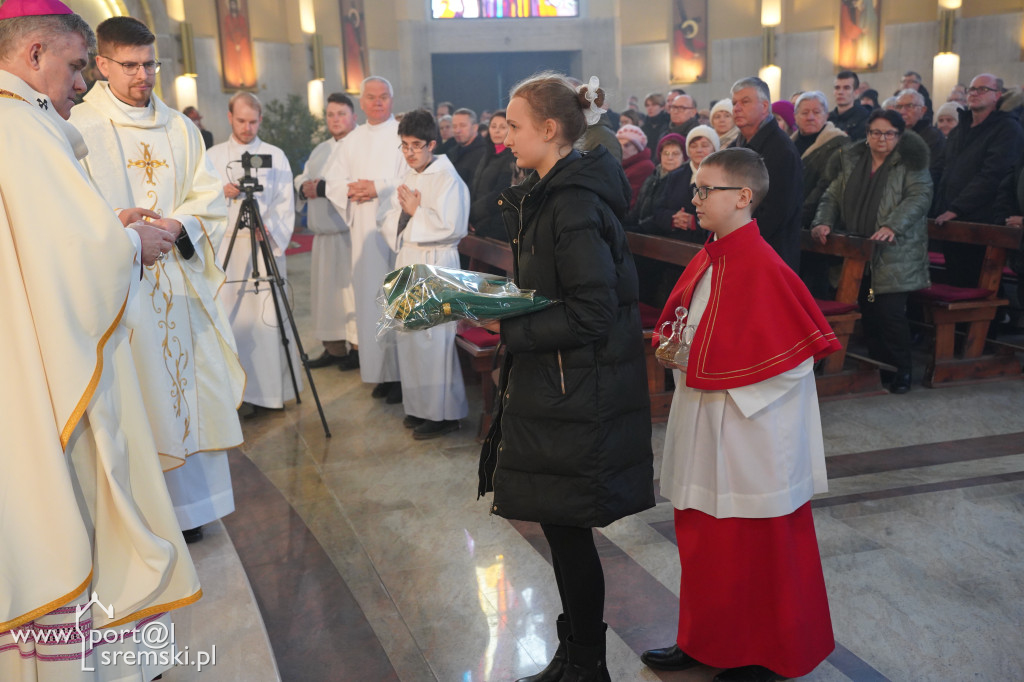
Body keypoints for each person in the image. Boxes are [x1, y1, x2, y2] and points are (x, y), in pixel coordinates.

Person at [0, 2, 201, 677]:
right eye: (76, 65)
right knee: (76, 499)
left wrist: (106, 225)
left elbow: (38, 244)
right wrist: (132, 243)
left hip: (24, 346)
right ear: (34, 54)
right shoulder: (19, 124)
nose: (82, 82)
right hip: (43, 366)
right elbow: (75, 263)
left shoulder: (20, 120)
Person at [477, 72, 654, 682]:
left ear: (550, 129)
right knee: (561, 529)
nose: (506, 137)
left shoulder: (573, 202)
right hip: (560, 383)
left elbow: (592, 312)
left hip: (578, 389)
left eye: (515, 125)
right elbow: (550, 290)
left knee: (569, 531)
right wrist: (493, 300)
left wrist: (510, 327)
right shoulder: (549, 192)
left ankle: (587, 664)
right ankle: (576, 654)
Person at [641, 147, 838, 682]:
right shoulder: (711, 256)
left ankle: (763, 654)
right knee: (703, 537)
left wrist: (724, 374)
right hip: (704, 419)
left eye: (706, 190)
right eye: (696, 188)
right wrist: (684, 356)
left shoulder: (764, 266)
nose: (695, 199)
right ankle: (703, 640)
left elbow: (795, 362)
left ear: (743, 197)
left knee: (752, 544)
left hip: (749, 433)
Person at [71, 16, 244, 543]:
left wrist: (177, 224)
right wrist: (123, 230)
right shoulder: (80, 126)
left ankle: (192, 509)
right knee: (139, 391)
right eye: (130, 66)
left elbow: (206, 195)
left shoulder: (179, 128)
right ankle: (147, 513)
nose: (143, 75)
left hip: (178, 282)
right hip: (124, 287)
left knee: (189, 388)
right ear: (102, 65)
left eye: (150, 65)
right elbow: (71, 210)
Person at [813, 110, 933, 393]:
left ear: (899, 136)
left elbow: (919, 197)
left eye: (889, 133)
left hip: (894, 254)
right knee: (869, 310)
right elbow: (832, 196)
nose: (882, 138)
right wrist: (823, 221)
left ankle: (902, 371)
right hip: (860, 252)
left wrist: (892, 225)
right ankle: (879, 367)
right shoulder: (853, 160)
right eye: (876, 132)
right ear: (867, 135)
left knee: (890, 314)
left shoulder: (910, 162)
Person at [208, 92, 301, 414]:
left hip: (263, 247)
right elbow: (199, 201)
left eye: (253, 122)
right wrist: (219, 194)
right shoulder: (213, 156)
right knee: (233, 319)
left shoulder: (274, 155)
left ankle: (270, 394)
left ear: (261, 120)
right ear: (229, 118)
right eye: (241, 121)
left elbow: (285, 203)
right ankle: (236, 394)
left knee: (268, 319)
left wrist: (269, 228)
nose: (247, 128)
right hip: (228, 249)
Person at [380, 110, 470, 439]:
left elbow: (453, 227)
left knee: (434, 342)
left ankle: (444, 415)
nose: (409, 153)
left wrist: (416, 212)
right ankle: (419, 407)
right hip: (410, 259)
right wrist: (406, 216)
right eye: (404, 145)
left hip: (436, 264)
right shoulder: (410, 176)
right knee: (410, 338)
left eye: (416, 146)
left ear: (432, 144)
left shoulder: (448, 178)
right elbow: (390, 218)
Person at [322, 76, 406, 402]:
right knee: (372, 301)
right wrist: (351, 190)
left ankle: (401, 376)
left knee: (397, 298)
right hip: (363, 230)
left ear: (392, 99)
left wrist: (377, 187)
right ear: (362, 102)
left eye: (384, 96)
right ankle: (381, 373)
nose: (378, 102)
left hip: (397, 230)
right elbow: (332, 180)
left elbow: (413, 175)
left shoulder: (403, 134)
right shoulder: (352, 139)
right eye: (371, 97)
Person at [934, 73, 1024, 287]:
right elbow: (944, 170)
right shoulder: (959, 130)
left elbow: (992, 175)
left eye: (983, 89)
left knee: (976, 284)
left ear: (997, 95)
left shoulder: (1007, 129)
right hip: (950, 220)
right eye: (972, 89)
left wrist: (957, 208)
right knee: (955, 282)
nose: (975, 93)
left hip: (981, 221)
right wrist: (939, 207)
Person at [295, 92, 359, 368]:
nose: (335, 119)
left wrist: (322, 188)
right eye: (331, 115)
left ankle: (357, 349)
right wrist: (303, 186)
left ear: (353, 116)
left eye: (341, 114)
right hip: (322, 236)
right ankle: (334, 348)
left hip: (349, 235)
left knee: (350, 296)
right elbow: (304, 175)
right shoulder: (321, 149)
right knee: (327, 298)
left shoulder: (360, 146)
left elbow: (356, 185)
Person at [731, 76, 804, 270]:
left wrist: (737, 237)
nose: (736, 108)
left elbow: (776, 213)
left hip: (770, 255)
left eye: (745, 102)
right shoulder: (734, 147)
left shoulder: (781, 150)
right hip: (738, 247)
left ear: (764, 107)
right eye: (734, 103)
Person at [626, 132, 691, 304]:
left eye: (675, 153)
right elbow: (638, 209)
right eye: (666, 153)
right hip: (643, 232)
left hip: (660, 238)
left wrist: (639, 228)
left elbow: (662, 215)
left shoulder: (682, 180)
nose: (670, 158)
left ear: (684, 156)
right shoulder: (653, 176)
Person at [470, 109, 519, 240]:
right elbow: (476, 185)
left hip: (494, 223)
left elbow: (500, 193)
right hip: (477, 219)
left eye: (502, 127)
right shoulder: (487, 153)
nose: (496, 131)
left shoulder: (513, 157)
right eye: (493, 126)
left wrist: (472, 213)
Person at [894, 88, 944, 186]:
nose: (902, 111)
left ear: (923, 110)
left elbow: (931, 173)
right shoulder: (893, 135)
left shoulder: (933, 137)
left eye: (909, 106)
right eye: (899, 107)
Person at [615, 123, 654, 210]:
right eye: (618, 144)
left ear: (637, 147)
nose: (622, 149)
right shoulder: (621, 164)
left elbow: (630, 201)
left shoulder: (645, 167)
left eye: (627, 145)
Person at [447, 106, 488, 187]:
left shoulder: (486, 153)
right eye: (454, 126)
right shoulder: (451, 152)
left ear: (475, 127)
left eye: (462, 125)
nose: (457, 130)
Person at [829, 69, 869, 140]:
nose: (840, 92)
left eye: (846, 88)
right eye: (837, 88)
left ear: (856, 92)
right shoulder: (828, 119)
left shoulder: (865, 119)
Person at [641, 91, 670, 160]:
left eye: (653, 105)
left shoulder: (669, 124)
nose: (650, 108)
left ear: (662, 107)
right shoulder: (643, 127)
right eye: (647, 105)